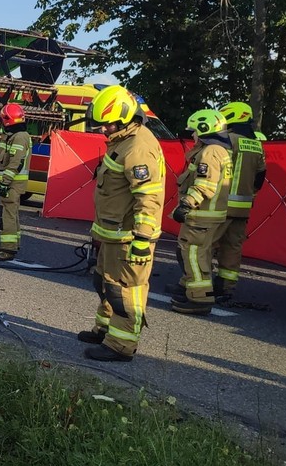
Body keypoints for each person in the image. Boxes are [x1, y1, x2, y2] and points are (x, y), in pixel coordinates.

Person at [79, 85, 165, 362]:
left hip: (129, 237)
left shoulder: (139, 148)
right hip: (113, 233)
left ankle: (121, 345)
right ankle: (105, 330)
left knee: (123, 291)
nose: (104, 130)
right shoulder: (123, 141)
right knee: (104, 283)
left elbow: (148, 197)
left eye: (109, 125)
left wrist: (142, 238)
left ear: (127, 117)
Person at [170, 109, 234, 316]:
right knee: (196, 254)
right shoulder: (219, 150)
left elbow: (205, 184)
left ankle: (199, 299)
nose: (192, 135)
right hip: (209, 215)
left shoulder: (211, 151)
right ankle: (186, 288)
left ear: (205, 129)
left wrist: (186, 204)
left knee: (194, 255)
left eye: (194, 131)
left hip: (201, 214)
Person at [213, 101, 267, 303]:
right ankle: (225, 288)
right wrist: (250, 193)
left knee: (204, 245)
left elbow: (216, 168)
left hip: (221, 205)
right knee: (233, 248)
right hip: (243, 208)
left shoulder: (227, 140)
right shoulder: (256, 144)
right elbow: (261, 176)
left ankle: (196, 287)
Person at [0, 103, 32, 261]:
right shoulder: (15, 135)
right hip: (13, 183)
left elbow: (15, 163)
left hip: (11, 184)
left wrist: (5, 182)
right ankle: (13, 244)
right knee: (12, 214)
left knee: (8, 216)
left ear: (8, 120)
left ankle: (8, 249)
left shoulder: (19, 137)